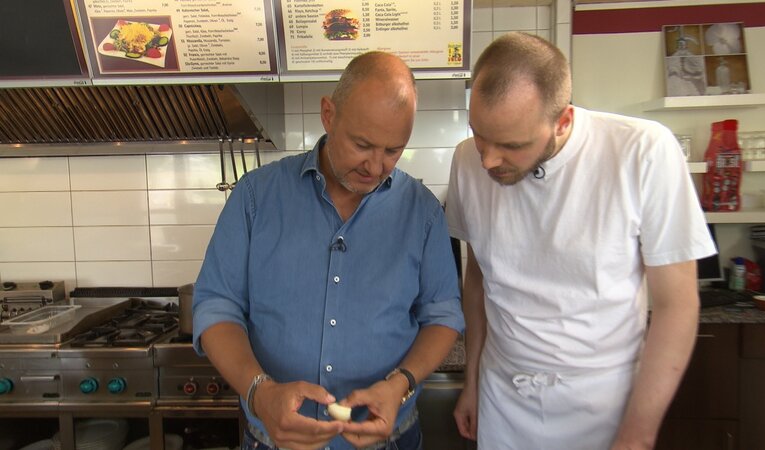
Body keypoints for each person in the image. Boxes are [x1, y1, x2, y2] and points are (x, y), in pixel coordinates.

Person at [445, 32, 716, 449]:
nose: (488, 160)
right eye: (480, 134)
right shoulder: (466, 161)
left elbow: (677, 306)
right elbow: (479, 278)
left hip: (603, 402)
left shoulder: (642, 151)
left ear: (564, 121)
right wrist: (473, 381)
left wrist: (637, 436)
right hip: (504, 397)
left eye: (512, 145)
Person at [192, 51, 464, 450]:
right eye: (362, 144)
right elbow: (216, 306)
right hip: (273, 439)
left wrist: (400, 385)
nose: (375, 166)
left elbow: (442, 316)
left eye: (393, 151)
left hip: (390, 439)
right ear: (328, 114)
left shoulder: (422, 212)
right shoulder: (255, 197)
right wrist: (259, 392)